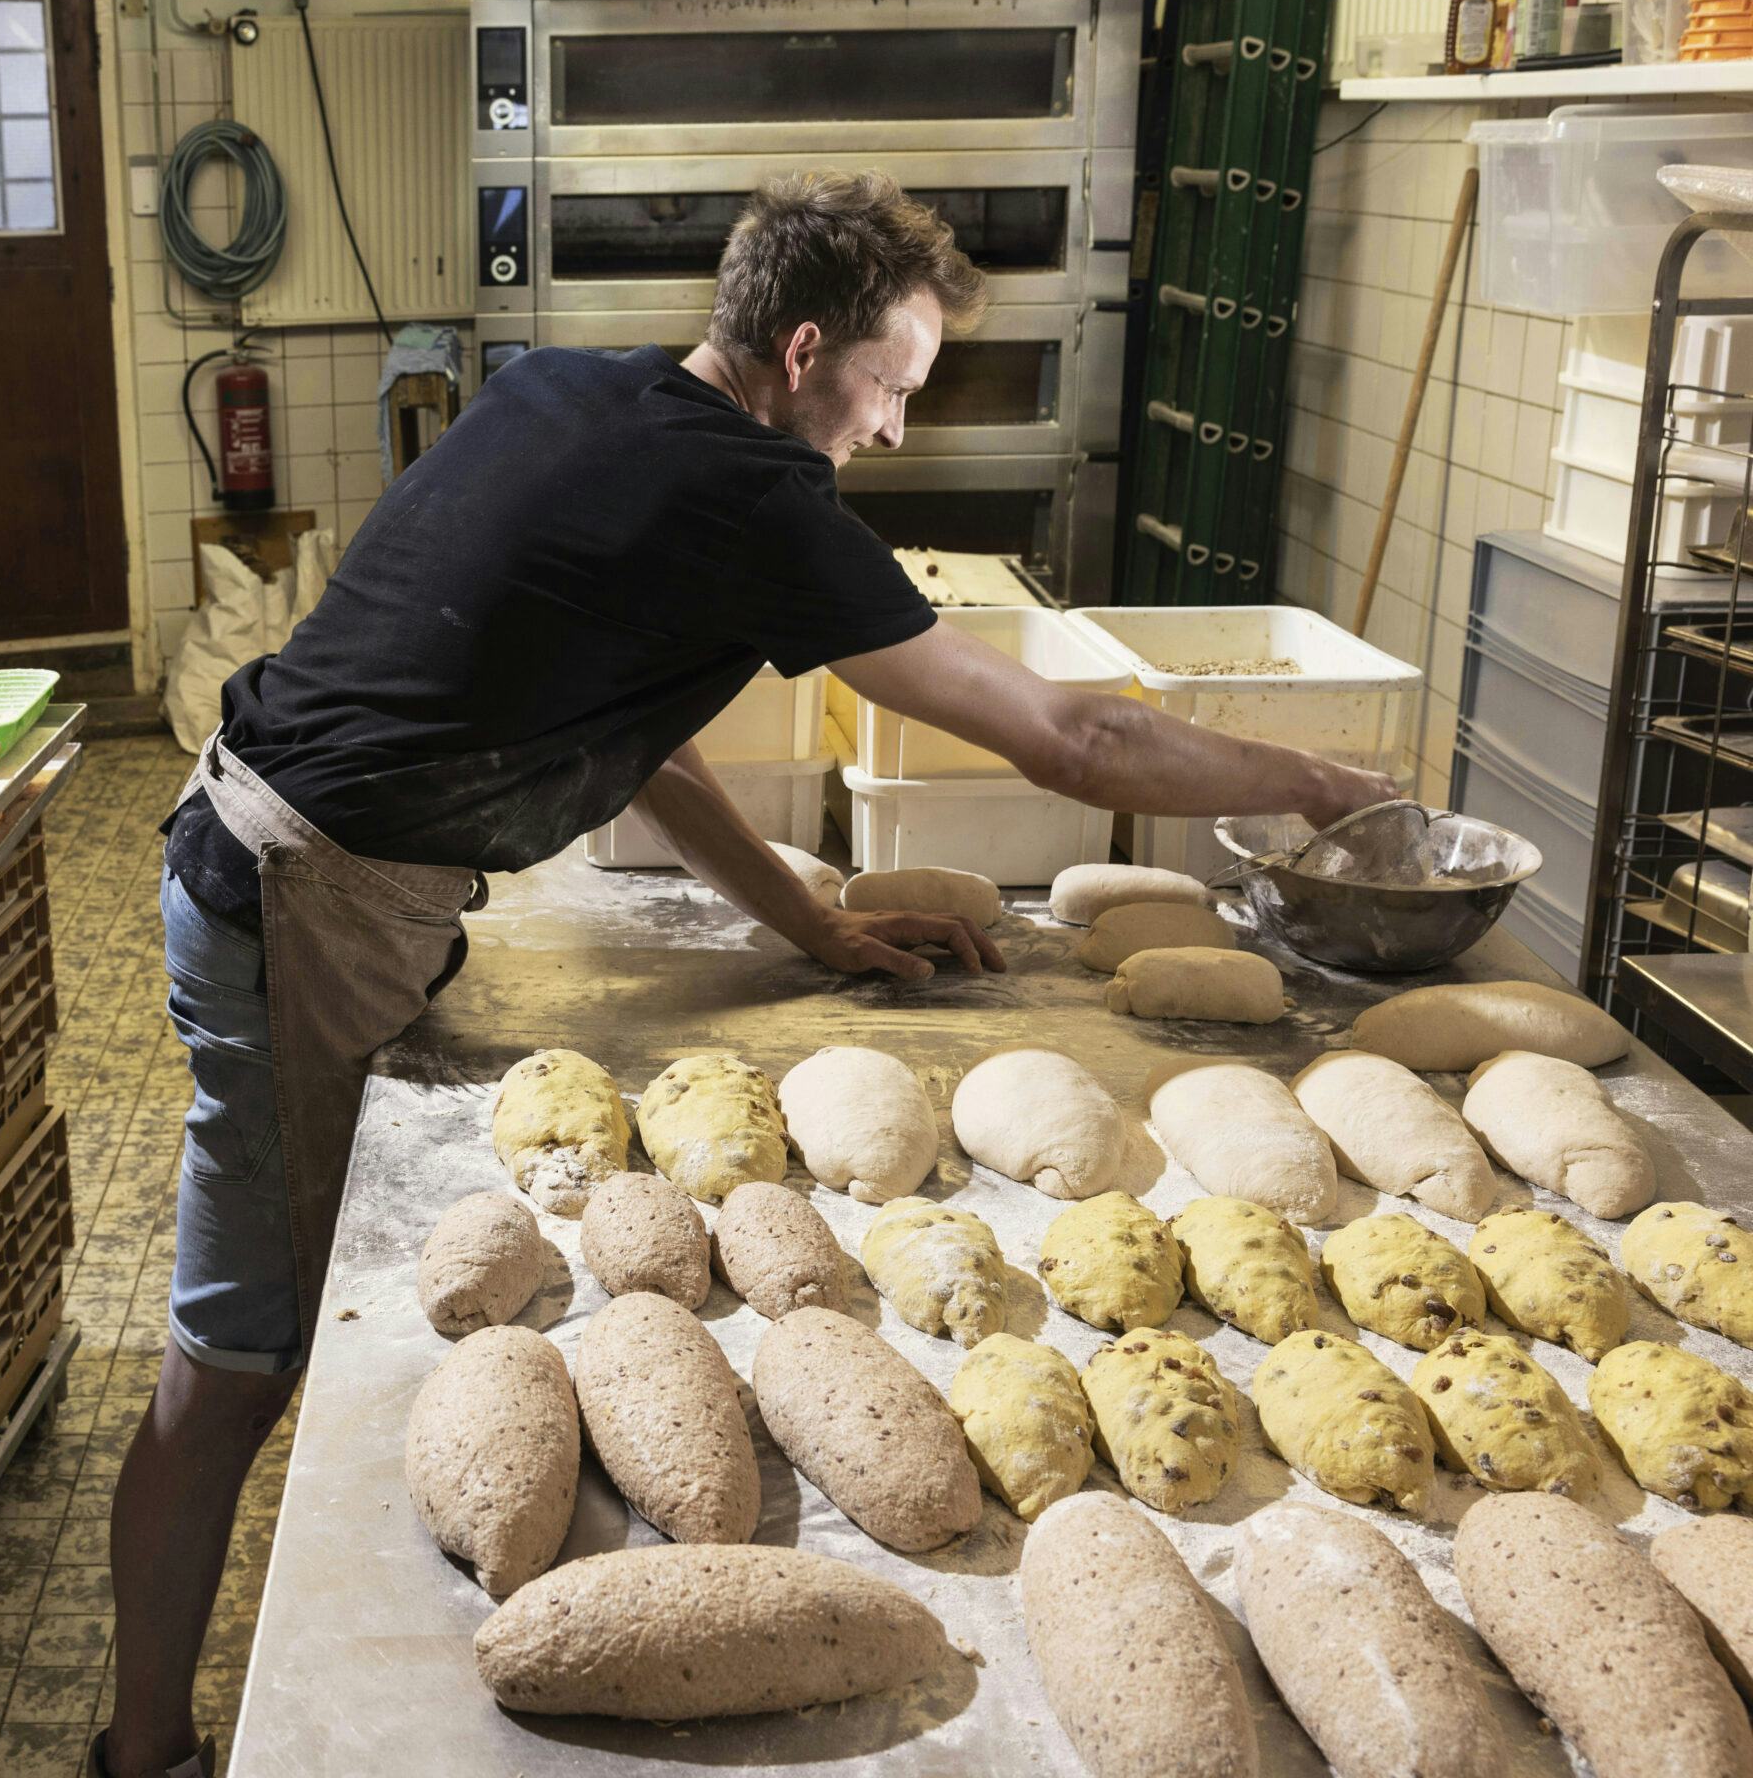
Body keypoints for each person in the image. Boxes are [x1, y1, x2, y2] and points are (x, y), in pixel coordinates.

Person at [93, 170, 1394, 1778]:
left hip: (289, 854)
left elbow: (637, 738)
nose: (899, 429)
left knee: (260, 1334)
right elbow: (1082, 737)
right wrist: (1326, 786)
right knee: (234, 1364)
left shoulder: (578, 394)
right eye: (894, 387)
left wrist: (816, 928)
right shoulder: (758, 504)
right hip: (300, 896)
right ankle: (135, 1756)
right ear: (801, 351)